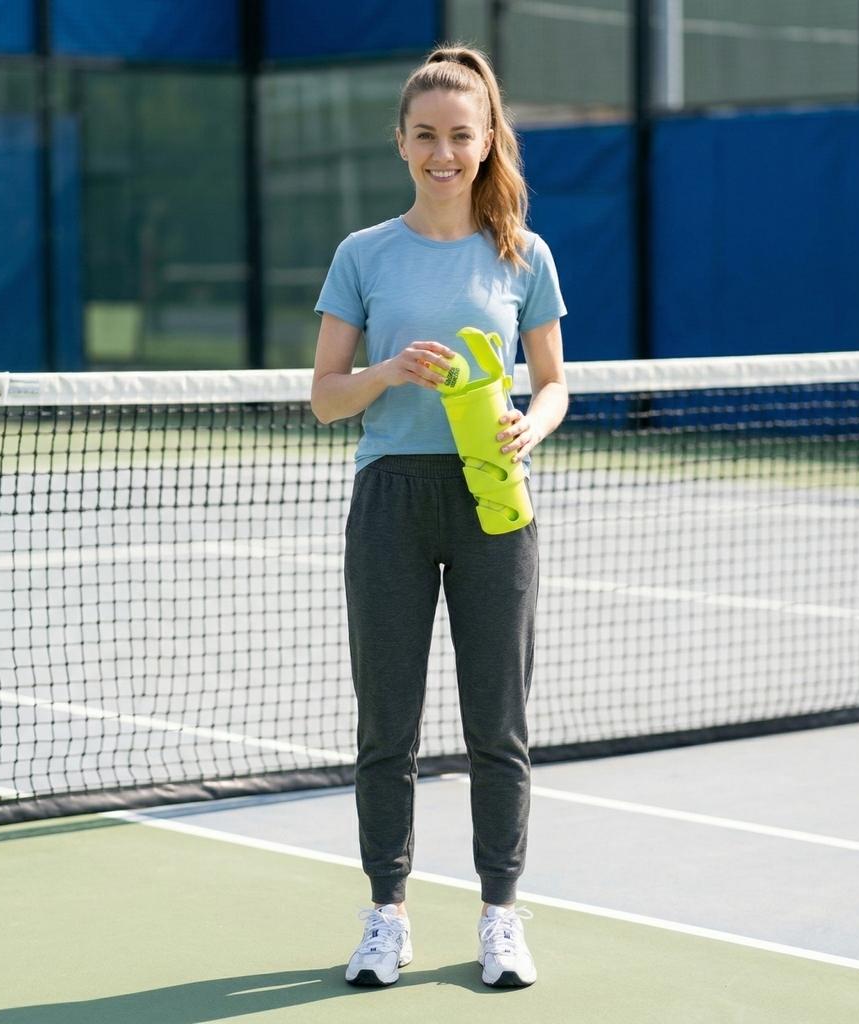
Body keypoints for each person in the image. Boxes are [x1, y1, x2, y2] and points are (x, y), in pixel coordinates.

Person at [310, 43, 568, 989]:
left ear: (490, 139)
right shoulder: (363, 255)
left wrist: (525, 432)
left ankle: (501, 916)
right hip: (391, 500)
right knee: (388, 723)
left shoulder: (522, 255)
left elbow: (554, 387)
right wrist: (384, 372)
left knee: (497, 722)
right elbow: (327, 397)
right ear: (402, 142)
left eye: (462, 135)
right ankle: (387, 914)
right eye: (426, 136)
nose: (444, 153)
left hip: (493, 503)